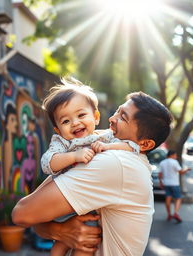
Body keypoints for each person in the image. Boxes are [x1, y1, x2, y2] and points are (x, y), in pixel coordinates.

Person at [12, 90, 173, 256]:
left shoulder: (116, 163)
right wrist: (60, 230)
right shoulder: (129, 158)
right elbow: (30, 215)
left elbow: (22, 213)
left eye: (123, 117)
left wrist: (55, 229)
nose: (111, 118)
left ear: (145, 143)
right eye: (118, 110)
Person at [40, 79, 139, 256]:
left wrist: (108, 147)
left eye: (81, 115)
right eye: (65, 121)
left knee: (87, 245)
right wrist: (73, 156)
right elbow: (47, 163)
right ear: (57, 129)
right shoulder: (61, 143)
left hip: (90, 206)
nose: (75, 123)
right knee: (59, 247)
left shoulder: (104, 138)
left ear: (96, 117)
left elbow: (132, 146)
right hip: (64, 205)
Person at [158, 150, 191, 223]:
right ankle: (175, 213)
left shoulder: (162, 162)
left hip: (166, 183)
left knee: (168, 198)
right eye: (175, 155)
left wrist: (161, 182)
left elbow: (160, 174)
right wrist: (187, 170)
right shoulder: (174, 162)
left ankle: (169, 214)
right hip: (174, 184)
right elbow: (181, 172)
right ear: (172, 155)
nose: (176, 157)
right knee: (178, 198)